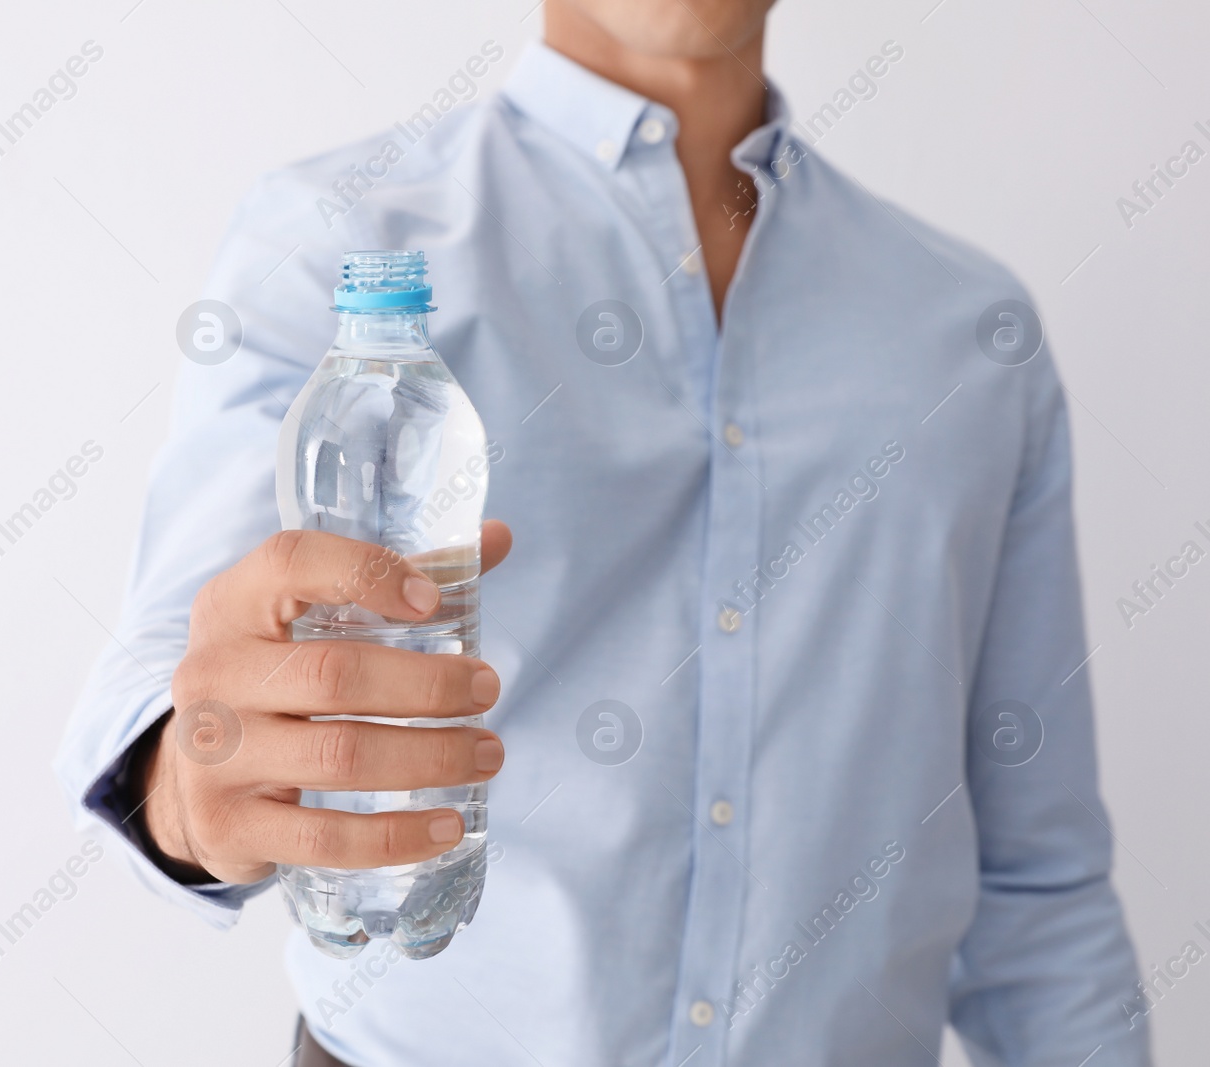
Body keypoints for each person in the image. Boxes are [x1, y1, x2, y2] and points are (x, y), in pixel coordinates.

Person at [56, 0, 1151, 1063]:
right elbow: (162, 673)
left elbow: (1034, 888)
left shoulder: (972, 333)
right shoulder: (341, 241)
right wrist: (190, 786)